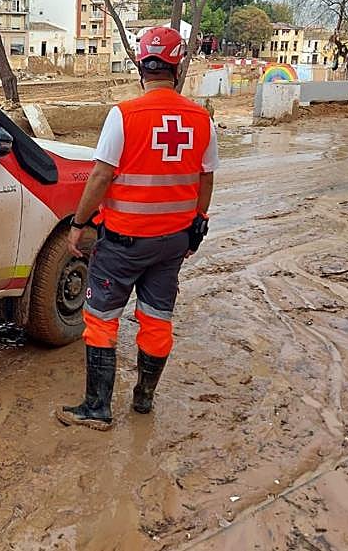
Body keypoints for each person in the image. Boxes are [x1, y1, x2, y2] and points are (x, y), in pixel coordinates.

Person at [57, 26, 219, 431]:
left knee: (101, 320)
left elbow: (99, 177)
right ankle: (143, 400)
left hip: (123, 245)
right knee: (156, 319)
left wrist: (78, 224)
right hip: (172, 245)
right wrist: (196, 226)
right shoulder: (202, 119)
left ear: (140, 66)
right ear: (177, 66)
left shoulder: (124, 115)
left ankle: (97, 409)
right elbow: (206, 179)